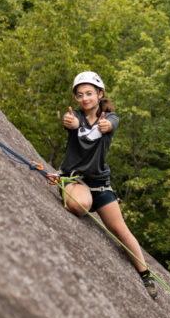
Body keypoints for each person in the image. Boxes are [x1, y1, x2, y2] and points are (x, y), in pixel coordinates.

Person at [59, 71, 157, 300]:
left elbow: (105, 127)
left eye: (89, 94)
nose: (84, 99)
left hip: (100, 182)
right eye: (80, 95)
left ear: (100, 94)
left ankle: (145, 274)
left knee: (120, 229)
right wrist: (72, 125)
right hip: (75, 179)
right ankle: (72, 195)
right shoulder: (73, 117)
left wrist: (103, 126)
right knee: (81, 205)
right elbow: (73, 125)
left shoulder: (110, 118)